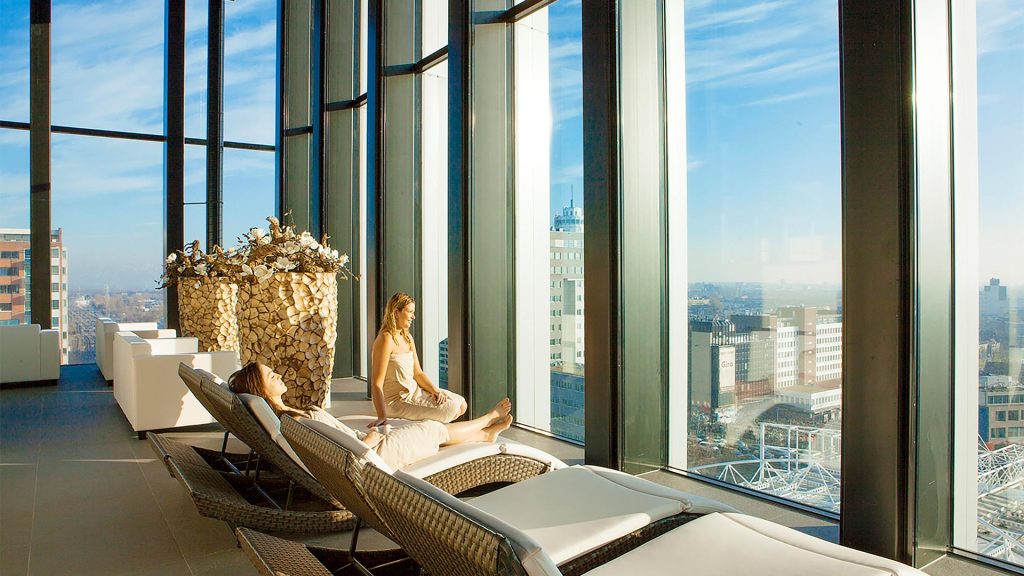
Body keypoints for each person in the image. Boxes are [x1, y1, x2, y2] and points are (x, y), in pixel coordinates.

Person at [228, 362, 512, 470]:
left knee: (430, 429)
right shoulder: (296, 422)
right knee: (433, 428)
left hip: (365, 445)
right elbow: (348, 450)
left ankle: (485, 434)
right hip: (374, 453)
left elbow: (334, 436)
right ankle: (486, 421)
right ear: (260, 389)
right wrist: (373, 435)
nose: (277, 374)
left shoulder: (287, 417)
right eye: (270, 375)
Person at [368, 292, 468, 427]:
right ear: (396, 312)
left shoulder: (407, 338)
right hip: (395, 401)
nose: (413, 317)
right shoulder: (386, 339)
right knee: (451, 408)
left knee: (462, 404)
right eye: (410, 312)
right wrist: (382, 416)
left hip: (414, 391)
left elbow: (418, 373)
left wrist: (434, 391)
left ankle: (427, 426)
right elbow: (376, 383)